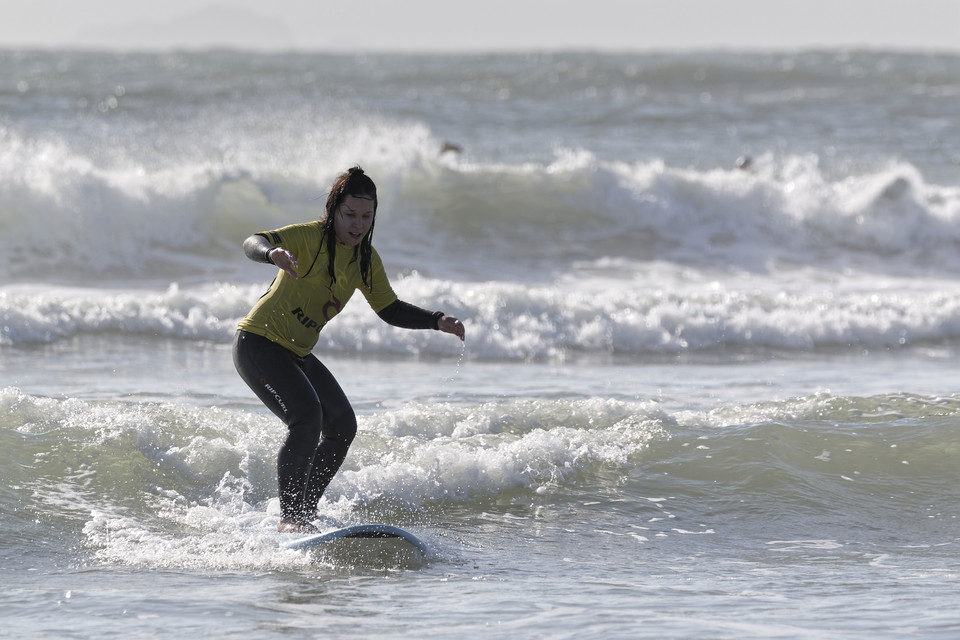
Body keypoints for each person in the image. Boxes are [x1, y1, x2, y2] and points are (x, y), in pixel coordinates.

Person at [233, 166, 466, 533]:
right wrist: (271, 253)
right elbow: (252, 240)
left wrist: (436, 320)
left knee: (342, 426)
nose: (358, 225)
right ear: (333, 210)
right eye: (350, 215)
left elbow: (389, 309)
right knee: (307, 417)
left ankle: (304, 513)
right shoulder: (309, 237)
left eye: (366, 216)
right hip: (258, 343)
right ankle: (290, 519)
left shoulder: (365, 261)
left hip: (297, 353)